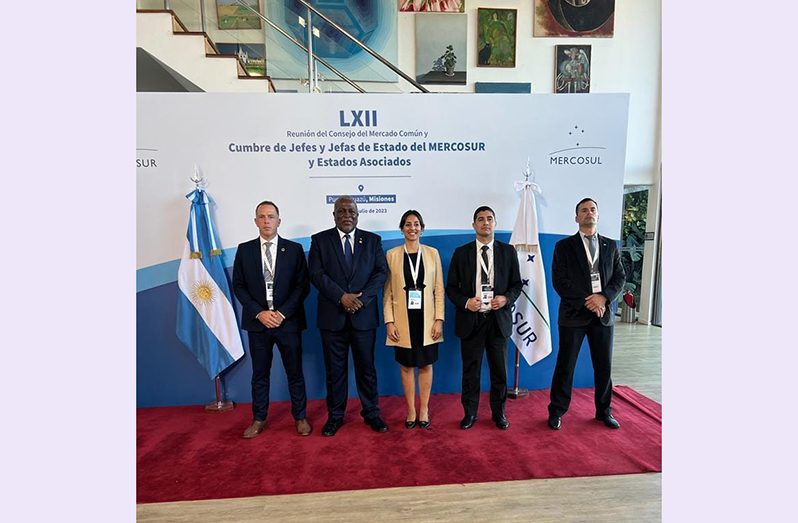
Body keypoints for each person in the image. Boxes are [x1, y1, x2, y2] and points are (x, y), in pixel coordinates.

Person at [308, 195, 389, 436]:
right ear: (333, 215)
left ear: (357, 214)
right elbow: (316, 274)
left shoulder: (373, 241)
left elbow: (381, 273)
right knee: (335, 371)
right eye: (341, 211)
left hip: (363, 318)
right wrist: (341, 296)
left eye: (351, 211)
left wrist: (361, 299)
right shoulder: (320, 241)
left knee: (367, 368)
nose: (346, 216)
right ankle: (335, 416)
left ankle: (372, 413)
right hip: (333, 317)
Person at [232, 200, 312, 438]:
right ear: (255, 221)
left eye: (271, 216)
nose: (266, 221)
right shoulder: (244, 250)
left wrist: (282, 313)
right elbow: (239, 286)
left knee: (295, 372)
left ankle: (300, 417)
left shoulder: (294, 250)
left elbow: (302, 286)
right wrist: (260, 313)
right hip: (258, 323)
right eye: (262, 216)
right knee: (259, 374)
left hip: (287, 322)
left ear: (279, 221)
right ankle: (259, 419)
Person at [547, 197, 626, 430]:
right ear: (576, 217)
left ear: (598, 216)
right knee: (565, 365)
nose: (589, 213)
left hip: (603, 315)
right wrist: (588, 301)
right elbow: (560, 282)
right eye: (584, 210)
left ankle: (604, 411)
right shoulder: (563, 247)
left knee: (604, 366)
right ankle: (557, 411)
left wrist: (603, 298)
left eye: (593, 209)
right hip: (573, 315)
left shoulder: (610, 246)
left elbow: (619, 278)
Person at [445, 206, 522, 430]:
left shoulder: (508, 252)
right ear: (474, 225)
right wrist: (465, 302)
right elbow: (451, 288)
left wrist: (506, 299)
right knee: (471, 371)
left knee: (499, 371)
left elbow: (517, 285)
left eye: (489, 219)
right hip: (471, 320)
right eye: (480, 219)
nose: (485, 223)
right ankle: (470, 413)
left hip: (498, 320)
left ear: (495, 223)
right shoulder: (462, 253)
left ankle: (499, 413)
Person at [383, 210, 445, 429]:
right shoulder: (391, 255)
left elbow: (439, 289)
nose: (412, 228)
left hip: (427, 319)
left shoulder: (432, 254)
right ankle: (410, 410)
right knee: (407, 366)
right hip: (403, 320)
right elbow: (387, 292)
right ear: (402, 229)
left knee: (426, 364)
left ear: (422, 228)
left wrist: (439, 319)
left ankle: (424, 408)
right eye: (408, 224)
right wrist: (389, 322)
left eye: (416, 224)